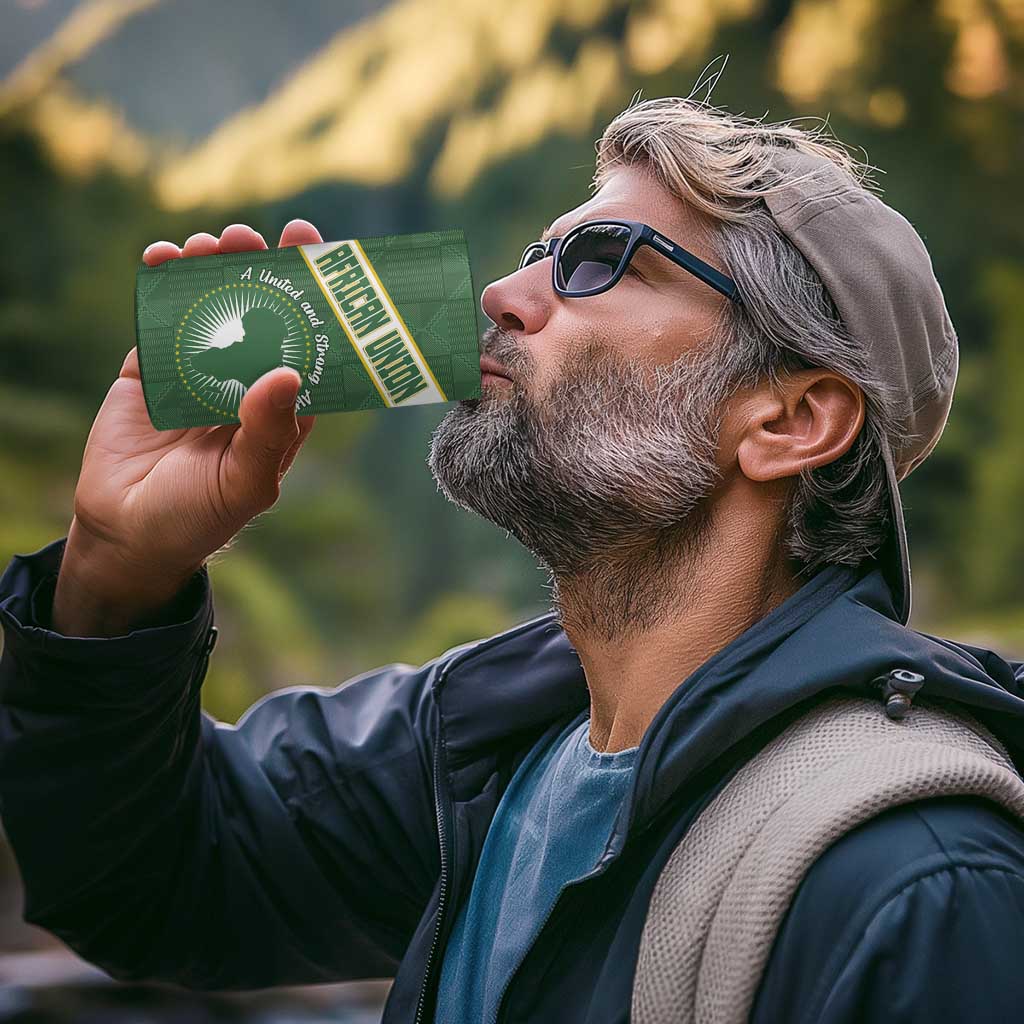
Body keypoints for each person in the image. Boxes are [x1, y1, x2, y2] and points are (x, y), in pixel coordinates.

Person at [2, 94, 1024, 1024]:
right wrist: (115, 572)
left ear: (790, 419)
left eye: (600, 261)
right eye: (539, 252)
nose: (502, 292)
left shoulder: (918, 884)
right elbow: (148, 880)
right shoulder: (479, 749)